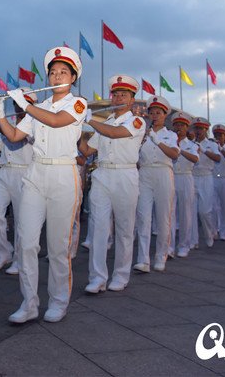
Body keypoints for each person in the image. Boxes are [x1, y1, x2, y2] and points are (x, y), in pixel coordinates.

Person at [0, 46, 87, 324]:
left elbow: (57, 122)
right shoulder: (37, 109)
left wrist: (25, 105)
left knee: (58, 246)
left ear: (73, 77)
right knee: (27, 242)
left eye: (63, 73)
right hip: (35, 175)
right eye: (53, 73)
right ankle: (29, 302)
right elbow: (16, 135)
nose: (56, 77)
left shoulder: (78, 104)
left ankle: (59, 301)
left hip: (63, 176)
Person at [77, 74, 144, 292]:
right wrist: (75, 128)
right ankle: (97, 277)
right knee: (98, 228)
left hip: (125, 176)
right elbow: (87, 151)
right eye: (115, 94)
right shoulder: (104, 122)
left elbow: (115, 134)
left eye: (123, 94)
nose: (118, 98)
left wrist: (88, 119)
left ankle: (121, 275)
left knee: (125, 228)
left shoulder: (137, 121)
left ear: (132, 99)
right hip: (103, 176)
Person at [0, 92, 36, 273]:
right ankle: (4, 252)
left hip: (24, 172)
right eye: (16, 104)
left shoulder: (33, 123)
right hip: (5, 171)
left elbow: (18, 137)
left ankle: (19, 260)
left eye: (23, 104)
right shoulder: (9, 124)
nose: (18, 108)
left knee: (20, 220)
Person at [134, 95, 179, 273]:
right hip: (145, 173)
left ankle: (161, 256)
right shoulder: (142, 134)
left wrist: (156, 139)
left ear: (165, 115)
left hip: (163, 173)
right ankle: (143, 259)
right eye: (151, 112)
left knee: (163, 218)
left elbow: (174, 154)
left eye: (158, 113)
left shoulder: (171, 135)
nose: (154, 116)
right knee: (143, 217)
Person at [170, 112, 199, 258]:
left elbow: (195, 158)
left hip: (186, 177)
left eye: (182, 125)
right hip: (171, 177)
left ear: (187, 128)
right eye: (176, 125)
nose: (178, 128)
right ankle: (169, 246)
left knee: (185, 213)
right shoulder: (169, 141)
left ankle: (184, 245)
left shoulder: (192, 144)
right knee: (169, 213)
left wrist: (180, 150)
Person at [191, 117, 219, 248]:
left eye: (201, 129)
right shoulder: (190, 143)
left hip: (206, 177)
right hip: (193, 176)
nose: (198, 131)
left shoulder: (212, 144)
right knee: (192, 211)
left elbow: (217, 158)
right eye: (196, 128)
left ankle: (209, 234)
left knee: (205, 211)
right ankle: (194, 240)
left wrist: (203, 150)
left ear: (206, 130)